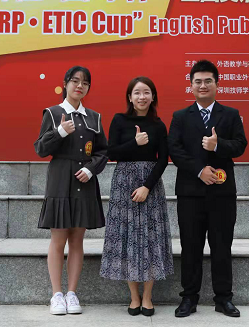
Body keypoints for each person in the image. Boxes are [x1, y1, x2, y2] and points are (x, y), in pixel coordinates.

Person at [168, 60, 248, 318]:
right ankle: (189, 298)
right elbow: (174, 150)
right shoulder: (180, 117)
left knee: (221, 246)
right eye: (198, 81)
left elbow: (240, 145)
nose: (203, 85)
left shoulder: (231, 114)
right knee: (190, 247)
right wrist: (199, 170)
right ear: (191, 86)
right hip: (190, 193)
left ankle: (223, 299)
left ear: (216, 84)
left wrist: (217, 145)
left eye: (208, 81)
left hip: (222, 194)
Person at [34, 65, 108, 316]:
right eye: (75, 81)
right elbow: (41, 149)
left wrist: (91, 169)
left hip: (84, 181)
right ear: (65, 83)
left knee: (77, 240)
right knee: (58, 239)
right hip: (59, 180)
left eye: (85, 83)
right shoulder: (53, 113)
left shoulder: (94, 118)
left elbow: (102, 151)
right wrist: (59, 132)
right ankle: (56, 294)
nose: (80, 86)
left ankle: (72, 293)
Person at [100, 76, 173, 317]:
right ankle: (134, 296)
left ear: (153, 97)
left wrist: (147, 187)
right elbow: (111, 152)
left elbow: (163, 159)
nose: (142, 97)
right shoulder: (119, 120)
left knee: (150, 238)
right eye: (137, 92)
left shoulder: (159, 125)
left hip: (150, 184)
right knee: (127, 237)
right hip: (124, 183)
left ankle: (148, 296)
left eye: (146, 92)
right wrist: (135, 142)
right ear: (130, 97)